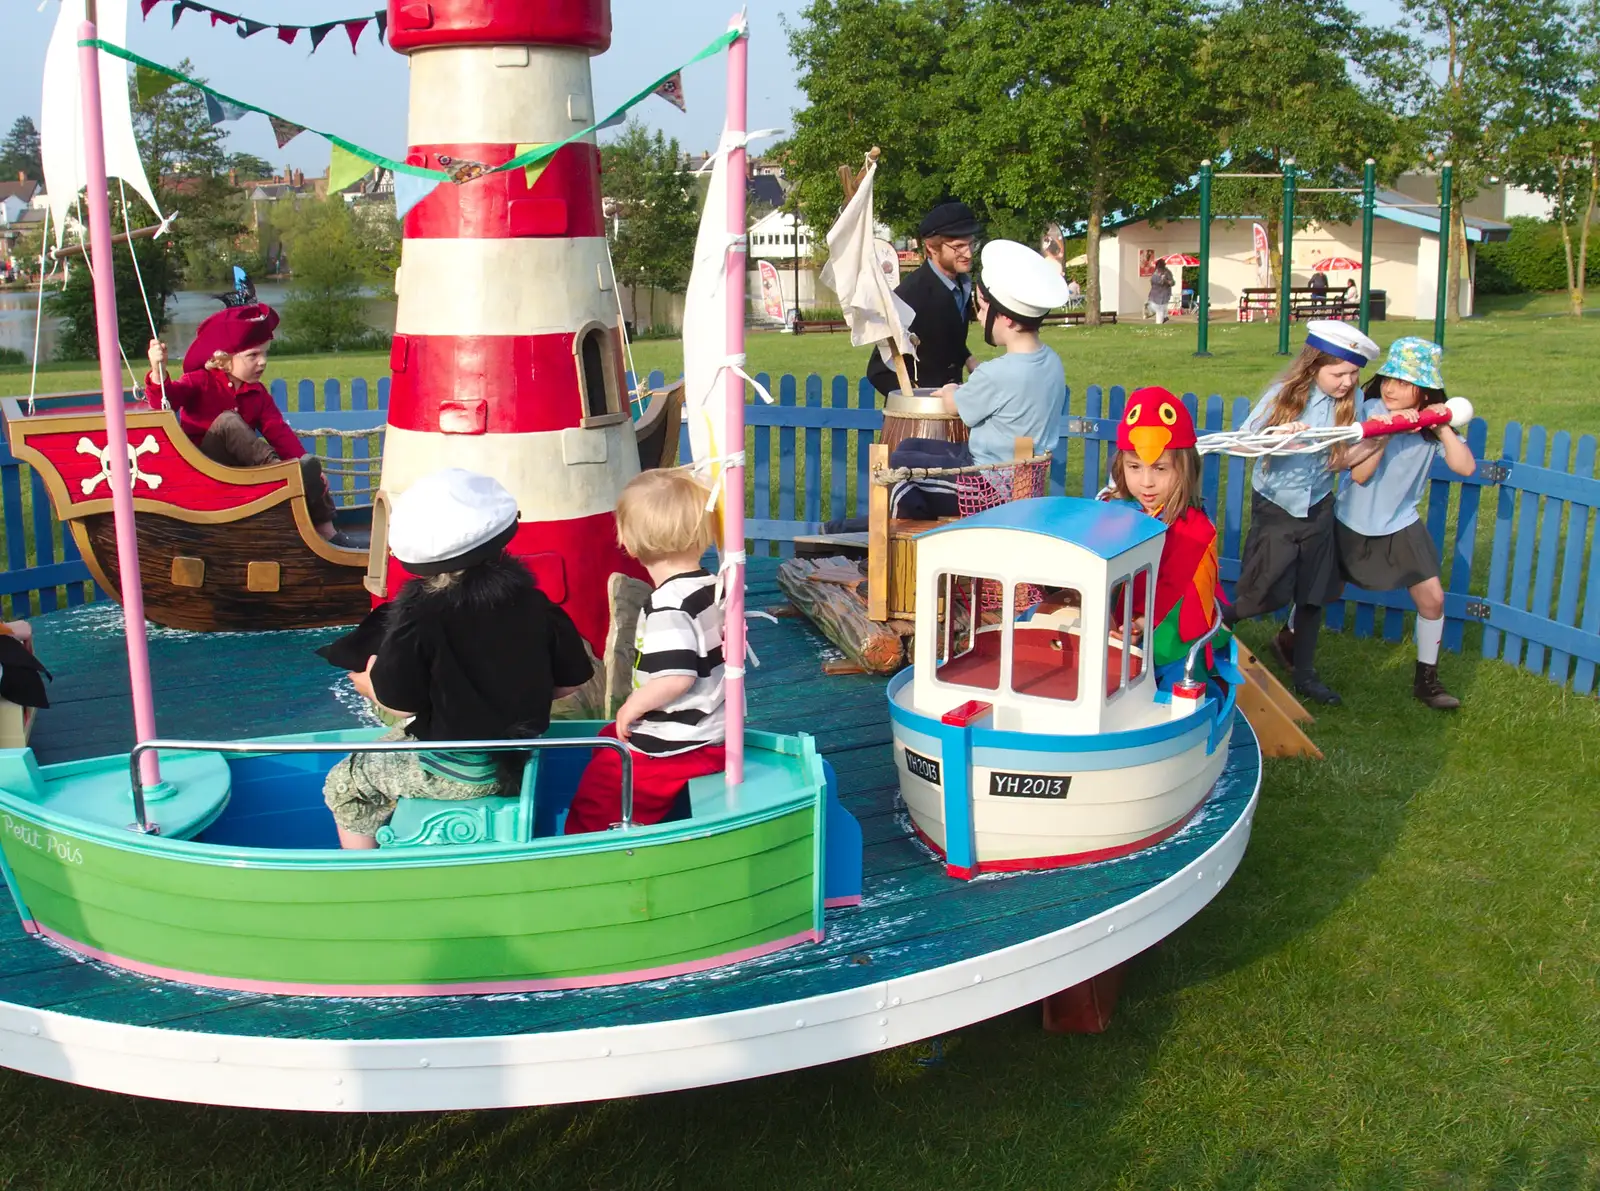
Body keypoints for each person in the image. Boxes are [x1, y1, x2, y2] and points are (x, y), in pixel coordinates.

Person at [322, 469, 593, 849]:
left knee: (347, 783)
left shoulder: (417, 620)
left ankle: (365, 873)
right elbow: (571, 682)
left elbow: (399, 703)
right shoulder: (536, 605)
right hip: (522, 754)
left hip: (457, 770)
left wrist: (370, 684)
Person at [1223, 320, 1382, 706]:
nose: (1347, 381)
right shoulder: (1285, 396)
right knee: (1261, 592)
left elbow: (1343, 460)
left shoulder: (1352, 402)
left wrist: (1379, 438)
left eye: (1353, 373)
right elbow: (1241, 445)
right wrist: (1273, 439)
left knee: (1313, 595)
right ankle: (1210, 631)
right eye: (1339, 373)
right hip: (1277, 508)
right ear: (1313, 365)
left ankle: (1305, 672)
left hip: (1318, 507)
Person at [565, 469, 726, 834]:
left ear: (628, 542)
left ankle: (587, 847)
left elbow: (676, 677)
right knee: (607, 738)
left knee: (604, 792)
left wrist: (633, 705)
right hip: (710, 725)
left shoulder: (668, 605)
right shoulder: (710, 586)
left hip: (677, 741)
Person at [1333, 338, 1476, 710]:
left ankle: (1426, 681)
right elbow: (1360, 475)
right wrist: (1388, 431)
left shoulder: (1429, 425)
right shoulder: (1369, 408)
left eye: (1404, 382)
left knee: (1433, 599)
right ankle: (1291, 640)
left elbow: (1466, 467)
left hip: (1400, 522)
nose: (1392, 388)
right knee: (1322, 588)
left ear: (1424, 390)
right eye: (1389, 379)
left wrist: (1441, 425)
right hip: (1351, 517)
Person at [886, 240, 1069, 519]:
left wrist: (950, 389)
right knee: (911, 446)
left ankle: (920, 535)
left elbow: (954, 405)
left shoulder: (997, 373)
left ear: (1005, 318)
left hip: (987, 485)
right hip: (1019, 477)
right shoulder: (1052, 361)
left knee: (897, 466)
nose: (980, 316)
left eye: (982, 308)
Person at [145, 304, 341, 542]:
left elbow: (277, 431)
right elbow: (164, 402)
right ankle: (280, 474)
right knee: (229, 421)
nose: (262, 362)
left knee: (308, 471)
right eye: (253, 355)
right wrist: (158, 372)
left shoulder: (256, 393)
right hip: (204, 467)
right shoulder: (199, 381)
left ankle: (328, 531)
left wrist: (301, 462)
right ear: (224, 359)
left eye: (264, 354)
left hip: (239, 470)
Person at [1103, 387, 1229, 674]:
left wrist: (1138, 626)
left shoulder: (1194, 530)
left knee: (1172, 668)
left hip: (1168, 632)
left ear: (1184, 469)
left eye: (1160, 469)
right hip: (1115, 623)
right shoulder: (1114, 510)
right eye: (1134, 467)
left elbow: (1175, 596)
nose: (1146, 482)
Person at [866, 201, 982, 397]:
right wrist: (921, 402)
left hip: (951, 412)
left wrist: (969, 359)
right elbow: (878, 372)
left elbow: (944, 336)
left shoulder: (961, 283)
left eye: (972, 244)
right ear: (931, 248)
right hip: (918, 419)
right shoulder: (910, 296)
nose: (968, 253)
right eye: (958, 247)